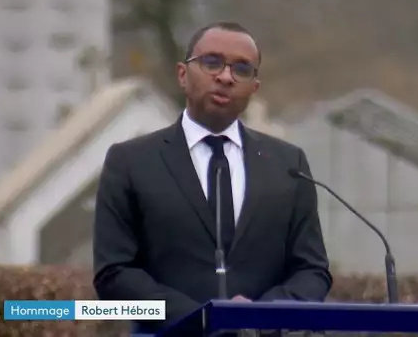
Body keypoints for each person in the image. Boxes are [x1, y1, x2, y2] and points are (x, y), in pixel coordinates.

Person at [92, 21, 333, 334]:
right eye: (212, 62)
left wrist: (262, 318)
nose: (225, 76)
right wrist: (202, 319)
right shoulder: (131, 161)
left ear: (254, 88)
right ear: (183, 74)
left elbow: (312, 270)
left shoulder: (288, 164)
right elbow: (113, 274)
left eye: (242, 69)